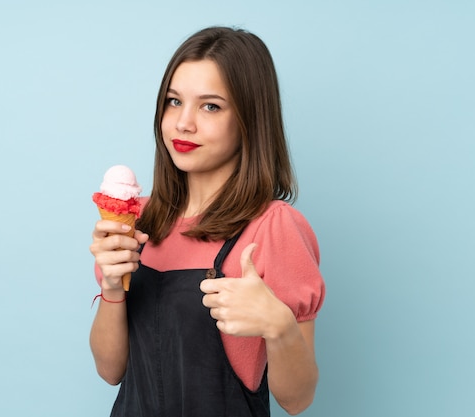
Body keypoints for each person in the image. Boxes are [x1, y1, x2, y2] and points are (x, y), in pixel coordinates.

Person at [89, 26, 325, 417]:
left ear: (249, 118)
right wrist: (113, 286)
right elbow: (110, 370)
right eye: (173, 101)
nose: (183, 123)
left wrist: (280, 326)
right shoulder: (137, 222)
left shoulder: (272, 228)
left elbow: (297, 400)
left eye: (210, 106)